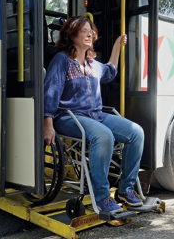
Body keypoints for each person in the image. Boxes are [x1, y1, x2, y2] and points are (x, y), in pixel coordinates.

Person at [44, 16, 144, 213]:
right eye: (84, 31)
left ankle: (126, 189)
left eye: (91, 31)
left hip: (95, 116)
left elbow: (111, 71)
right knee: (103, 135)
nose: (89, 34)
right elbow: (51, 92)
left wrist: (117, 45)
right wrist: (48, 124)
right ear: (71, 34)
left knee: (136, 133)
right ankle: (102, 198)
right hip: (68, 117)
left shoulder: (93, 64)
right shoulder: (62, 60)